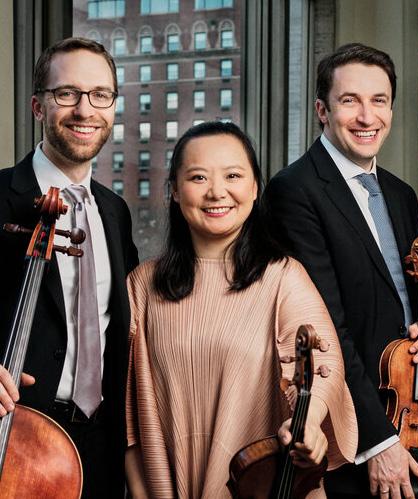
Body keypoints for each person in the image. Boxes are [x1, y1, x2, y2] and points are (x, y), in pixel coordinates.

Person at [124, 121, 357, 499]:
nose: (217, 191)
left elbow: (324, 363)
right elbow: (130, 421)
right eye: (198, 177)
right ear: (174, 191)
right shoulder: (142, 285)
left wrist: (309, 423)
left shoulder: (283, 276)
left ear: (254, 188)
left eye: (233, 175)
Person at [264, 43, 418, 498]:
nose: (367, 117)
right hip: (349, 432)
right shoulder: (294, 190)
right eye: (350, 101)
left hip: (413, 410)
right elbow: (327, 327)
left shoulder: (401, 194)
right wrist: (378, 441)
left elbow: (407, 301)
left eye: (379, 100)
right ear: (322, 111)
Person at [0, 38, 138, 497]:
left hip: (101, 444)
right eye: (67, 93)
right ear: (38, 106)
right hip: (16, 439)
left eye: (100, 95)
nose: (85, 109)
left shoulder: (114, 212)